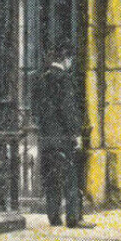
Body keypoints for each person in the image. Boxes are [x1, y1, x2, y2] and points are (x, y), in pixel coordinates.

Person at [35, 45, 86, 227]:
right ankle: (73, 218)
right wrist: (76, 133)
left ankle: (53, 216)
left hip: (45, 137)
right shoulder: (64, 79)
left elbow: (37, 110)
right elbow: (68, 110)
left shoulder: (41, 78)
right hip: (62, 138)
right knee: (70, 176)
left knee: (51, 178)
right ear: (67, 59)